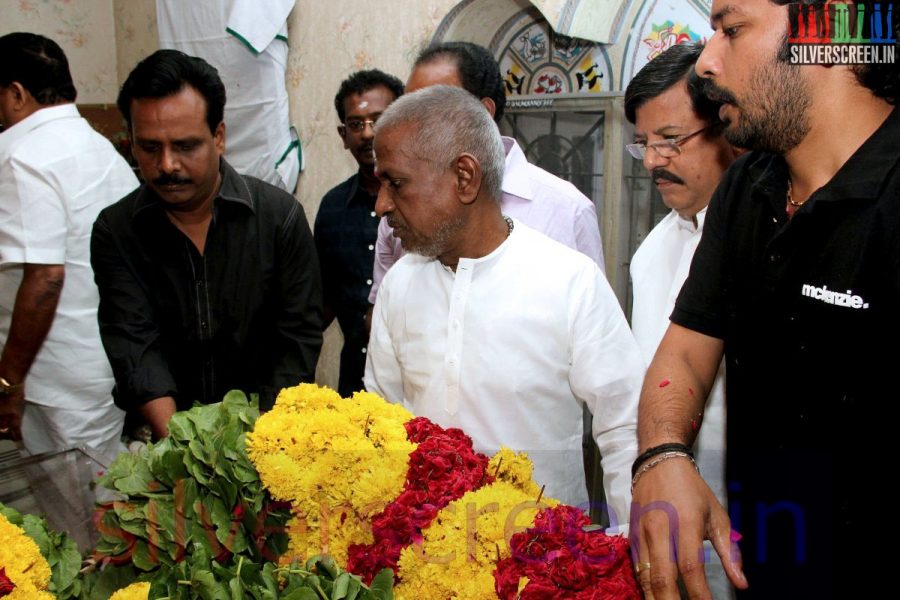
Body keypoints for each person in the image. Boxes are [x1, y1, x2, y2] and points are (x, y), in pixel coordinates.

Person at [630, 1, 899, 598]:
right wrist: (663, 454)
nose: (706, 62)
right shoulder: (748, 187)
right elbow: (685, 354)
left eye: (731, 30)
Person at [365, 85, 644, 527]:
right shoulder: (400, 283)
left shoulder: (569, 281)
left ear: (464, 178)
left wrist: (627, 547)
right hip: (422, 559)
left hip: (543, 567)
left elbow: (625, 427)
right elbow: (380, 420)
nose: (381, 205)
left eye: (396, 184)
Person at [91, 50, 322, 439]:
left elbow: (296, 344)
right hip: (161, 436)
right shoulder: (116, 230)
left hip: (268, 437)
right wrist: (187, 451)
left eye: (184, 146)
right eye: (150, 148)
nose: (167, 165)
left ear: (219, 137)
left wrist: (255, 451)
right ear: (131, 143)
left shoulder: (278, 218)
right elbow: (134, 346)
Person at [367, 41, 605, 306]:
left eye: (428, 110)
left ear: (483, 114)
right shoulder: (400, 212)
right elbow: (385, 315)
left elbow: (590, 327)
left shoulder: (566, 210)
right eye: (406, 107)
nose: (408, 124)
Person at [624, 42, 737, 600]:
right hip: (665, 519)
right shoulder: (651, 253)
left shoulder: (768, 238)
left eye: (670, 140)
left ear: (728, 126)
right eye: (642, 144)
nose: (651, 161)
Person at [0, 33, 138, 458]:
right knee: (102, 503)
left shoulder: (22, 155)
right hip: (107, 366)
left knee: (68, 514)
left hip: (53, 379)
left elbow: (45, 278)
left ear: (17, 93)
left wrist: (8, 382)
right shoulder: (101, 148)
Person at [315, 69, 403, 397]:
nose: (367, 134)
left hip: (411, 387)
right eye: (356, 124)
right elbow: (322, 300)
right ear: (343, 135)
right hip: (353, 386)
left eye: (378, 120)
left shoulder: (423, 202)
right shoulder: (332, 207)